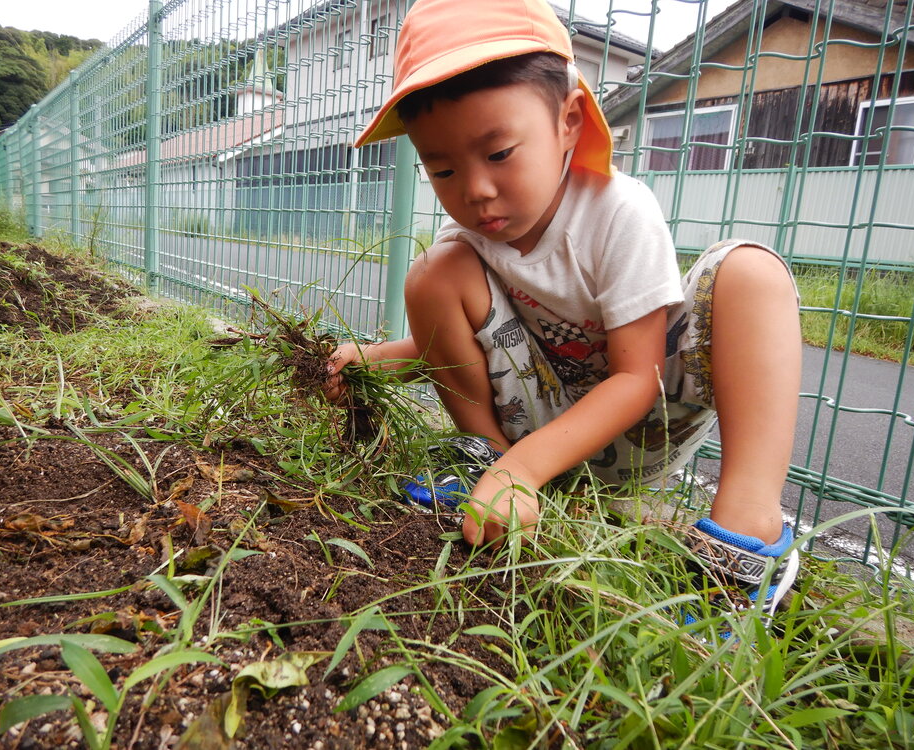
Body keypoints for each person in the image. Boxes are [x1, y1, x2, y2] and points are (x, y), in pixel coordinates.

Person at [325, 0, 802, 620]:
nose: (475, 190)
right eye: (441, 168)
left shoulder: (616, 213)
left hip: (646, 420)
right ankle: (483, 463)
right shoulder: (472, 246)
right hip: (536, 422)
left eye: (499, 154)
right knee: (432, 274)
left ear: (569, 120)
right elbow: (483, 342)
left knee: (750, 273)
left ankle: (747, 535)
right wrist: (377, 359)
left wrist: (526, 467)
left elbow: (639, 378)